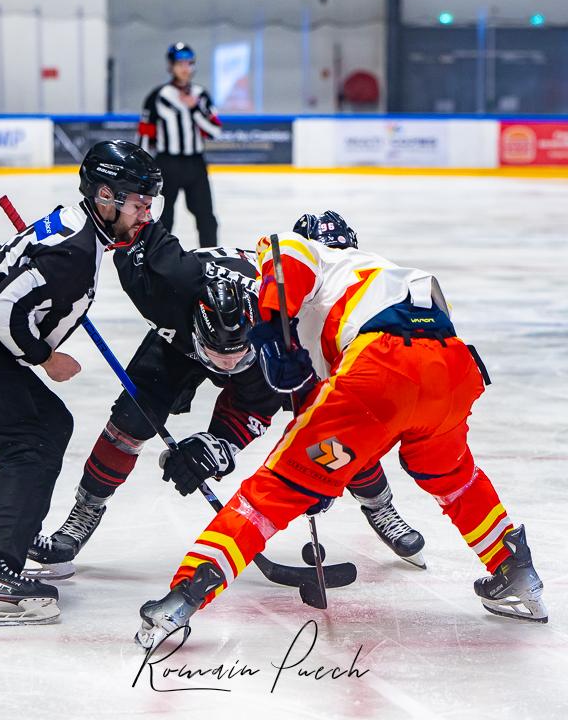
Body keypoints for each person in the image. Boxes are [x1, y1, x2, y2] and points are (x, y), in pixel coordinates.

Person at [137, 209, 548, 650]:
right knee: (454, 478)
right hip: (452, 371)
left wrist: (275, 331)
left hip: (381, 366)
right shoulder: (380, 273)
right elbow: (347, 404)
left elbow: (283, 249)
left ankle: (183, 596)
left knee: (275, 490)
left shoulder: (317, 257)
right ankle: (515, 571)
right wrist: (324, 469)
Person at [27, 219, 425, 578]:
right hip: (180, 343)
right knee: (131, 420)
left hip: (258, 339)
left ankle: (380, 504)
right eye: (220, 357)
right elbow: (129, 242)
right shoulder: (167, 294)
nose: (229, 366)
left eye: (236, 356)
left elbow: (253, 411)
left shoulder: (280, 327)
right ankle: (85, 510)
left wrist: (217, 448)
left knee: (328, 427)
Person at [0, 139, 163, 626]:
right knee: (31, 442)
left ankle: (13, 534)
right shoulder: (75, 250)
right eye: (139, 203)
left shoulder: (80, 232)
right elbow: (4, 310)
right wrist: (45, 357)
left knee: (51, 422)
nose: (145, 214)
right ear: (106, 196)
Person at [138, 42, 222, 247]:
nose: (185, 68)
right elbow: (145, 134)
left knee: (206, 218)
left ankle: (210, 258)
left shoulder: (201, 95)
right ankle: (159, 258)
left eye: (189, 63)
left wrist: (194, 109)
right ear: (171, 66)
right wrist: (142, 167)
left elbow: (215, 131)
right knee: (163, 218)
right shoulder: (158, 96)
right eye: (180, 64)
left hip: (195, 165)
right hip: (167, 164)